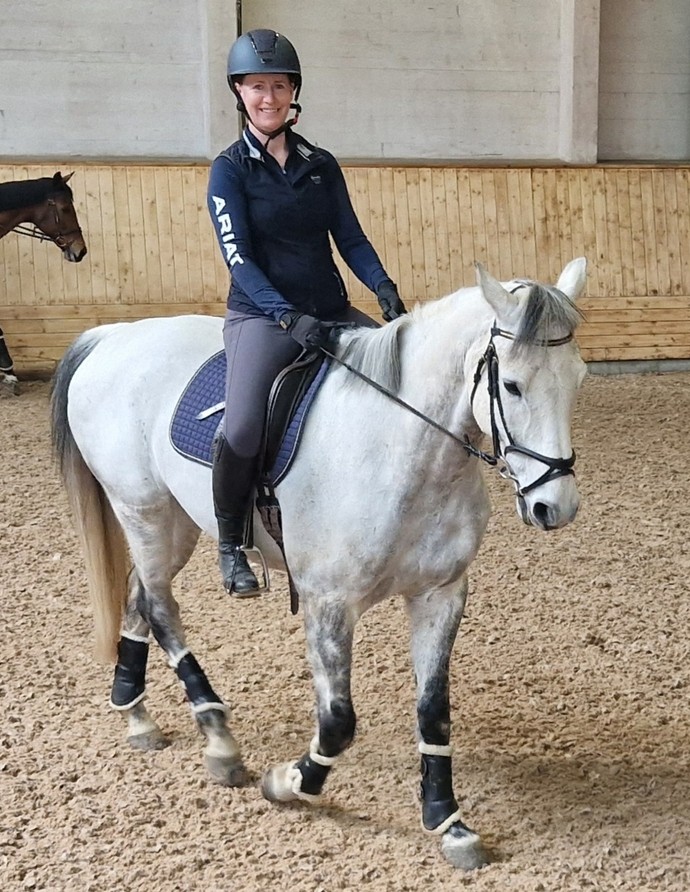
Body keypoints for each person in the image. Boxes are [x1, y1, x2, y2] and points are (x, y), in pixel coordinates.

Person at [207, 28, 407, 597]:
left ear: (293, 92)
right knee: (243, 424)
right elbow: (239, 259)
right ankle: (230, 543)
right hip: (261, 318)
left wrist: (384, 287)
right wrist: (285, 317)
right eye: (256, 87)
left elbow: (351, 237)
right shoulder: (229, 171)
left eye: (278, 86)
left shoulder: (321, 164)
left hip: (331, 309)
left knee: (399, 383)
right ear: (239, 93)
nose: (268, 97)